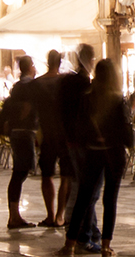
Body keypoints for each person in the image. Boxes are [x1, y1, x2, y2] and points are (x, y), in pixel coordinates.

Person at [62, 59, 132, 257]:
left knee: (83, 199)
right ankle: (105, 245)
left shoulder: (86, 98)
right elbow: (127, 135)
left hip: (92, 152)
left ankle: (70, 244)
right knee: (110, 200)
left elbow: (79, 128)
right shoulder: (119, 99)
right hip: (113, 154)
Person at [57, 44, 98, 246]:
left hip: (70, 139)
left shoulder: (67, 83)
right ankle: (84, 231)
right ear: (89, 60)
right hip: (83, 141)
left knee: (81, 186)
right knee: (88, 189)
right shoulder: (84, 85)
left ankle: (89, 228)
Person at [0, 54, 42, 229]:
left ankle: (14, 215)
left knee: (20, 173)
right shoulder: (29, 86)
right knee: (19, 173)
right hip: (24, 132)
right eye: (33, 65)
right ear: (30, 67)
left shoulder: (17, 87)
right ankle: (14, 216)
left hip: (17, 132)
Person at [30, 49, 69, 228]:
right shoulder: (64, 82)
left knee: (47, 175)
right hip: (64, 133)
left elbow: (33, 110)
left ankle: (50, 214)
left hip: (46, 133)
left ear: (47, 61)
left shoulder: (37, 84)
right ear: (60, 62)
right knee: (66, 175)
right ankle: (60, 214)